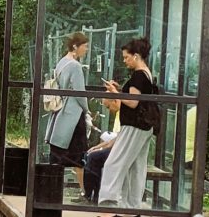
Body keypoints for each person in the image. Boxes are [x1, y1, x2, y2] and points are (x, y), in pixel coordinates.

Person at [99, 37, 156, 209]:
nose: (124, 61)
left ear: (136, 56)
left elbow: (133, 102)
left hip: (134, 125)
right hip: (145, 126)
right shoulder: (147, 73)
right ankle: (131, 204)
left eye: (126, 57)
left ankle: (108, 202)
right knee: (136, 167)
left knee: (114, 162)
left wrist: (116, 92)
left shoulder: (138, 75)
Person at [45, 32, 91, 197]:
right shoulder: (75, 66)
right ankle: (84, 191)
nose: (86, 50)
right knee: (78, 153)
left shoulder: (61, 63)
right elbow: (80, 93)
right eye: (84, 46)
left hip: (60, 113)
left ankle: (51, 189)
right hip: (73, 113)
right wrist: (87, 110)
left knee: (58, 152)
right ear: (75, 46)